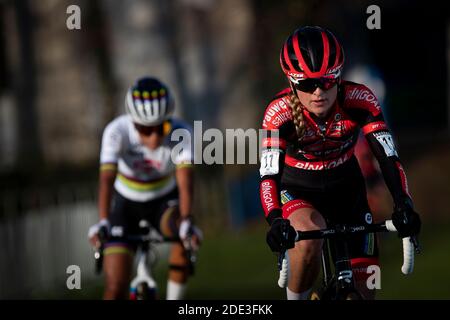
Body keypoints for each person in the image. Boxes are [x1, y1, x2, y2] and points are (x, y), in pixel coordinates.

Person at [259, 26, 421, 300]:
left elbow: (387, 157)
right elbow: (268, 175)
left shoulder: (361, 99)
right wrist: (275, 219)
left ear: (339, 77)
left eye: (327, 80)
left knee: (365, 293)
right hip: (299, 192)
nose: (318, 91)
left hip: (348, 191)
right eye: (307, 85)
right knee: (309, 238)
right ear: (292, 82)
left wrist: (403, 203)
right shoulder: (278, 113)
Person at [88, 77, 202, 300]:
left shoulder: (182, 132)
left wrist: (187, 220)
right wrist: (102, 221)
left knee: (183, 231)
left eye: (161, 127)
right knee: (114, 287)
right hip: (125, 205)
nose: (154, 137)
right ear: (132, 122)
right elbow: (106, 180)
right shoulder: (116, 131)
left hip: (163, 202)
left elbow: (186, 181)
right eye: (144, 129)